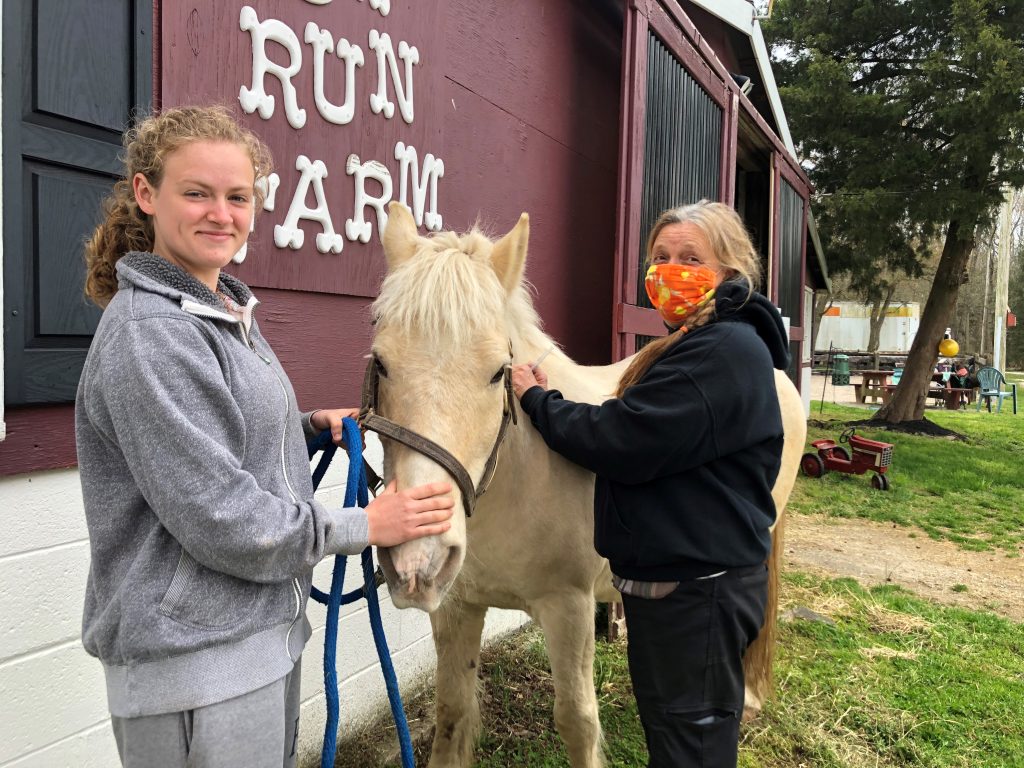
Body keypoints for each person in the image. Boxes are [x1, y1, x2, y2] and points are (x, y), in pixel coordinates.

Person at [76, 105, 454, 768]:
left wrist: (305, 425)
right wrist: (368, 525)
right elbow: (224, 518)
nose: (220, 213)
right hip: (193, 669)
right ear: (146, 194)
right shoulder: (154, 333)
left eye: (238, 196)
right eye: (196, 192)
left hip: (249, 643)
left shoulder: (218, 308)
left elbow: (218, 435)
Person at [510, 201, 789, 768]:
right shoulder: (702, 344)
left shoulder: (720, 352)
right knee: (676, 734)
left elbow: (625, 439)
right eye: (660, 257)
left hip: (697, 594)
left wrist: (537, 400)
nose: (670, 271)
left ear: (730, 273)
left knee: (691, 746)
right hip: (685, 588)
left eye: (691, 258)